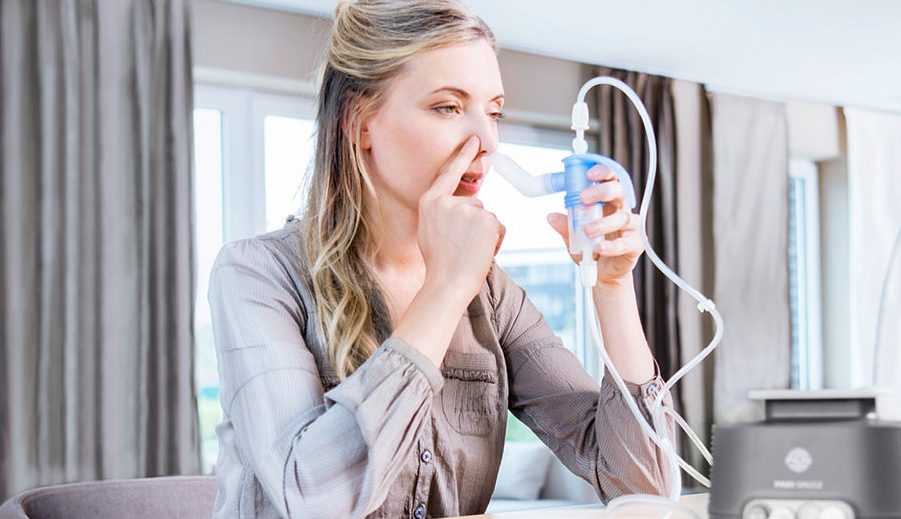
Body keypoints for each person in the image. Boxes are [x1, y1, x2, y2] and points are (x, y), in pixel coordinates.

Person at [206, 1, 673, 517]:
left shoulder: (493, 296)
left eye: (494, 112)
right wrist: (446, 289)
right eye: (448, 107)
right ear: (360, 122)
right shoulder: (257, 275)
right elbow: (316, 497)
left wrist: (613, 287)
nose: (487, 142)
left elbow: (642, 483)